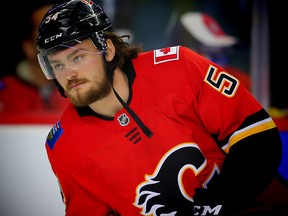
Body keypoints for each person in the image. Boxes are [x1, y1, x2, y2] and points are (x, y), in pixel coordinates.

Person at [36, 0, 283, 215]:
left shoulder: (178, 68)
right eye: (57, 66)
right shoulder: (64, 145)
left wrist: (219, 204)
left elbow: (258, 142)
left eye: (77, 57)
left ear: (107, 49)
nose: (69, 74)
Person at [0, 3, 69, 124]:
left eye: (60, 29)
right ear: (28, 48)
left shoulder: (81, 86)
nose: (57, 39)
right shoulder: (5, 93)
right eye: (46, 32)